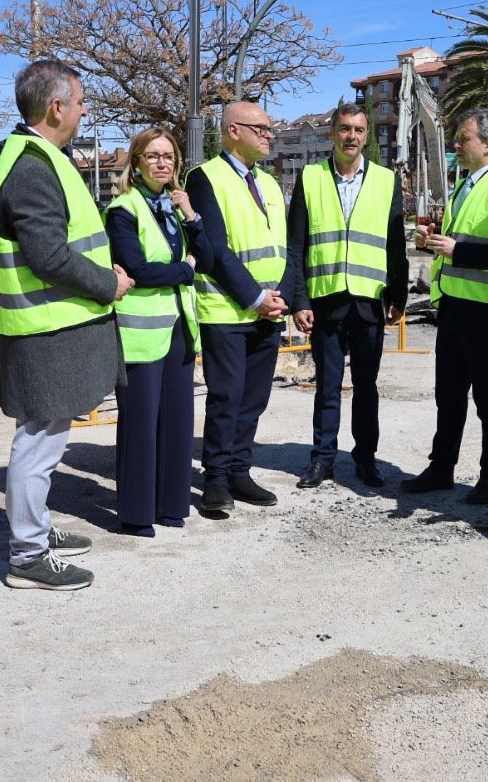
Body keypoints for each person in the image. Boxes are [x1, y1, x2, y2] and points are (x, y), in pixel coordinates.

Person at [0, 60, 134, 590]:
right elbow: (48, 255)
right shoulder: (32, 167)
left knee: (46, 442)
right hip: (44, 330)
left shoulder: (41, 157)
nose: (85, 109)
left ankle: (37, 530)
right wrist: (107, 283)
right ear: (56, 107)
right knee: (39, 444)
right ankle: (27, 556)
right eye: (80, 101)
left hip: (51, 327)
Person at [284, 103, 407, 489]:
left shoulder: (386, 180)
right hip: (326, 299)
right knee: (327, 385)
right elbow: (296, 245)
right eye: (344, 129)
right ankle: (322, 460)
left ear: (366, 136)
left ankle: (366, 458)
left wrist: (399, 296)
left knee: (367, 387)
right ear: (332, 133)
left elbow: (395, 245)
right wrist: (299, 301)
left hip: (369, 301)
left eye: (358, 130)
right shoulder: (311, 177)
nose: (351, 136)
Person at [401, 108, 488, 504]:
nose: (455, 144)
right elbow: (457, 243)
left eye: (463, 138)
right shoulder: (465, 183)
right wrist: (432, 242)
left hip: (485, 309)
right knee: (448, 394)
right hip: (452, 305)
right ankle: (441, 467)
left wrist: (458, 250)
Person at [106, 127, 214, 537]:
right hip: (140, 332)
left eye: (168, 156)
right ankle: (136, 514)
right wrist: (184, 270)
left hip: (179, 328)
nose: (162, 163)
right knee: (141, 423)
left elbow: (207, 257)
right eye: (152, 156)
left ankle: (171, 504)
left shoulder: (174, 207)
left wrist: (191, 215)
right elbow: (137, 269)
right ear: (136, 163)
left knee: (177, 421)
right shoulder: (123, 209)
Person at [185, 101, 288, 517]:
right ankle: (215, 478)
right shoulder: (204, 177)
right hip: (226, 310)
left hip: (269, 311)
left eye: (269, 128)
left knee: (254, 399)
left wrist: (282, 296)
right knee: (226, 398)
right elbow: (214, 250)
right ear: (233, 131)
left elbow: (283, 246)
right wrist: (256, 298)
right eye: (260, 128)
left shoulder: (270, 183)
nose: (268, 135)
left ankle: (239, 471)